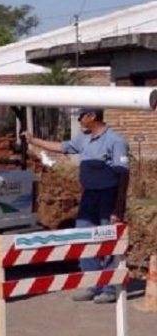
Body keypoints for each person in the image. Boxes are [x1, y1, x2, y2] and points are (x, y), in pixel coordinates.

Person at [21, 107, 130, 304]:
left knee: (107, 240)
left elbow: (123, 175)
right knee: (83, 237)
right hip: (89, 195)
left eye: (81, 116)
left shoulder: (116, 141)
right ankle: (92, 283)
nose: (79, 119)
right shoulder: (84, 138)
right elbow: (62, 147)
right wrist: (33, 140)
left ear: (92, 116)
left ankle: (109, 287)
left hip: (108, 195)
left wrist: (118, 206)